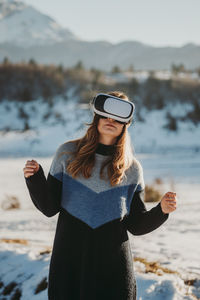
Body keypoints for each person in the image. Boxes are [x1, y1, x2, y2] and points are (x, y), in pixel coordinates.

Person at [23, 91, 177, 300]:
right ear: (96, 117)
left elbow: (136, 225)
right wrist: (35, 178)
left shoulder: (132, 169)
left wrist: (162, 211)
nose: (110, 120)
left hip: (113, 271)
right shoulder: (66, 154)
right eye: (105, 115)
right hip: (69, 264)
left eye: (117, 118)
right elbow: (49, 208)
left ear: (126, 124)